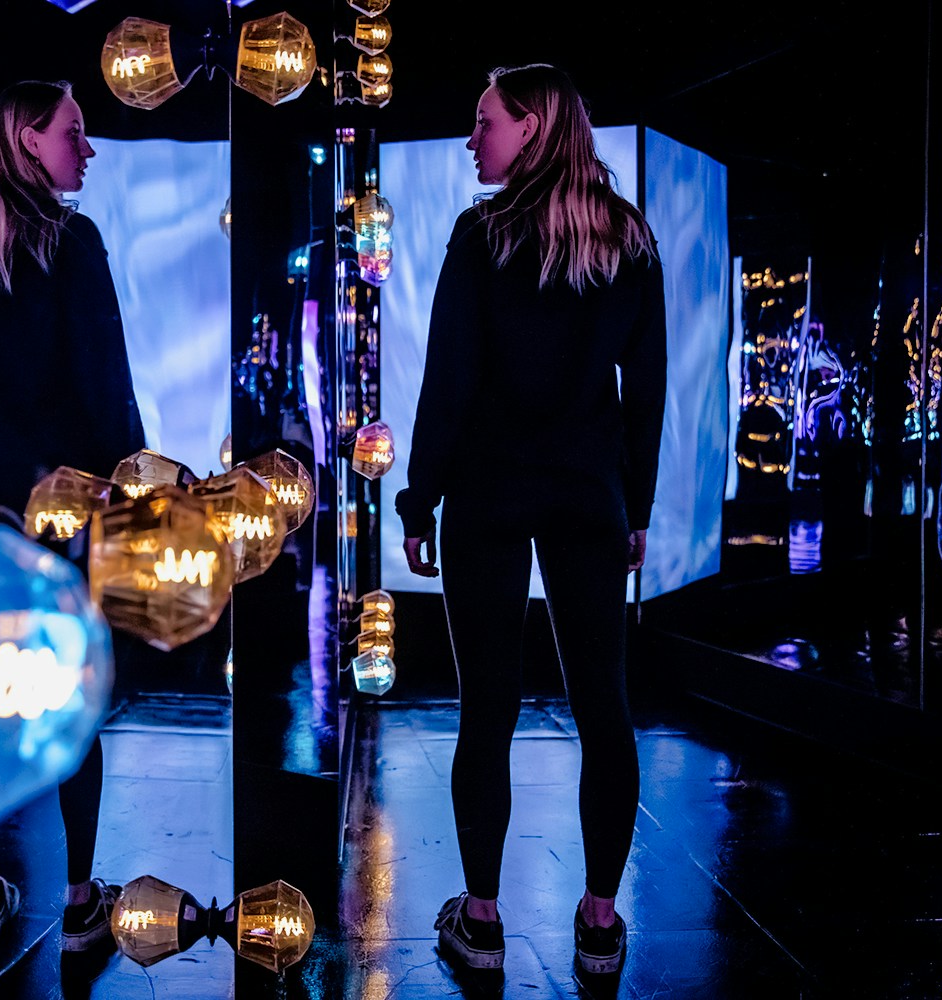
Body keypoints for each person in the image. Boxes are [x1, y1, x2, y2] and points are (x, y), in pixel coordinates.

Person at [395, 63, 666, 977]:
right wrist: (640, 503)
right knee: (606, 710)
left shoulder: (483, 236)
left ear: (535, 128)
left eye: (486, 122)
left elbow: (451, 378)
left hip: (489, 495)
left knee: (488, 712)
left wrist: (418, 495)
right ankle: (597, 921)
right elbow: (649, 390)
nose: (474, 139)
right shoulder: (628, 239)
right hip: (591, 494)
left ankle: (480, 918)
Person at [0, 79, 146, 955]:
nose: (85, 151)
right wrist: (131, 482)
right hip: (70, 507)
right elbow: (103, 380)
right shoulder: (71, 243)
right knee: (77, 688)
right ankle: (83, 898)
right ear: (24, 143)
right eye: (73, 134)